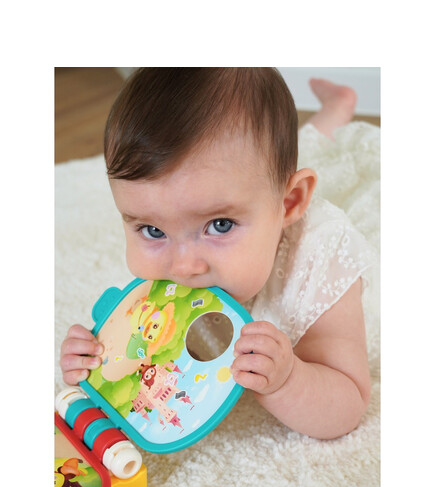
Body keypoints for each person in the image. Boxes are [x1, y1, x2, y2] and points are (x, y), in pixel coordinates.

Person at [60, 68, 373, 440]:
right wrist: (99, 357)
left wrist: (289, 380)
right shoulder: (193, 238)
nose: (184, 267)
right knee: (294, 157)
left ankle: (337, 110)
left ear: (289, 203)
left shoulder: (323, 263)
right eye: (153, 231)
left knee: (339, 160)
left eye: (220, 225)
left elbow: (348, 403)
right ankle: (335, 108)